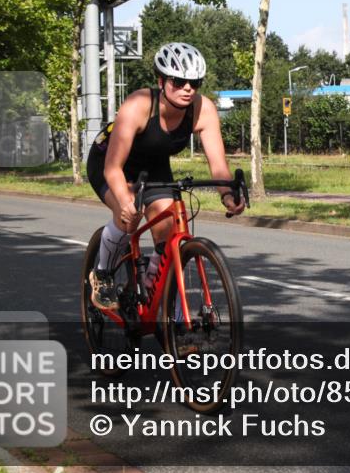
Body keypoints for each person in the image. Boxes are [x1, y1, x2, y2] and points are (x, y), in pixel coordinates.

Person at [86, 42, 245, 310]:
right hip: (111, 162)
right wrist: (125, 200)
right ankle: (102, 274)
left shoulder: (203, 109)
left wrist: (228, 195)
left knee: (169, 233)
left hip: (154, 166)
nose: (188, 88)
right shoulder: (138, 105)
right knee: (128, 218)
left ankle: (153, 293)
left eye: (195, 83)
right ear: (161, 81)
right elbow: (112, 168)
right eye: (179, 81)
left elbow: (218, 163)